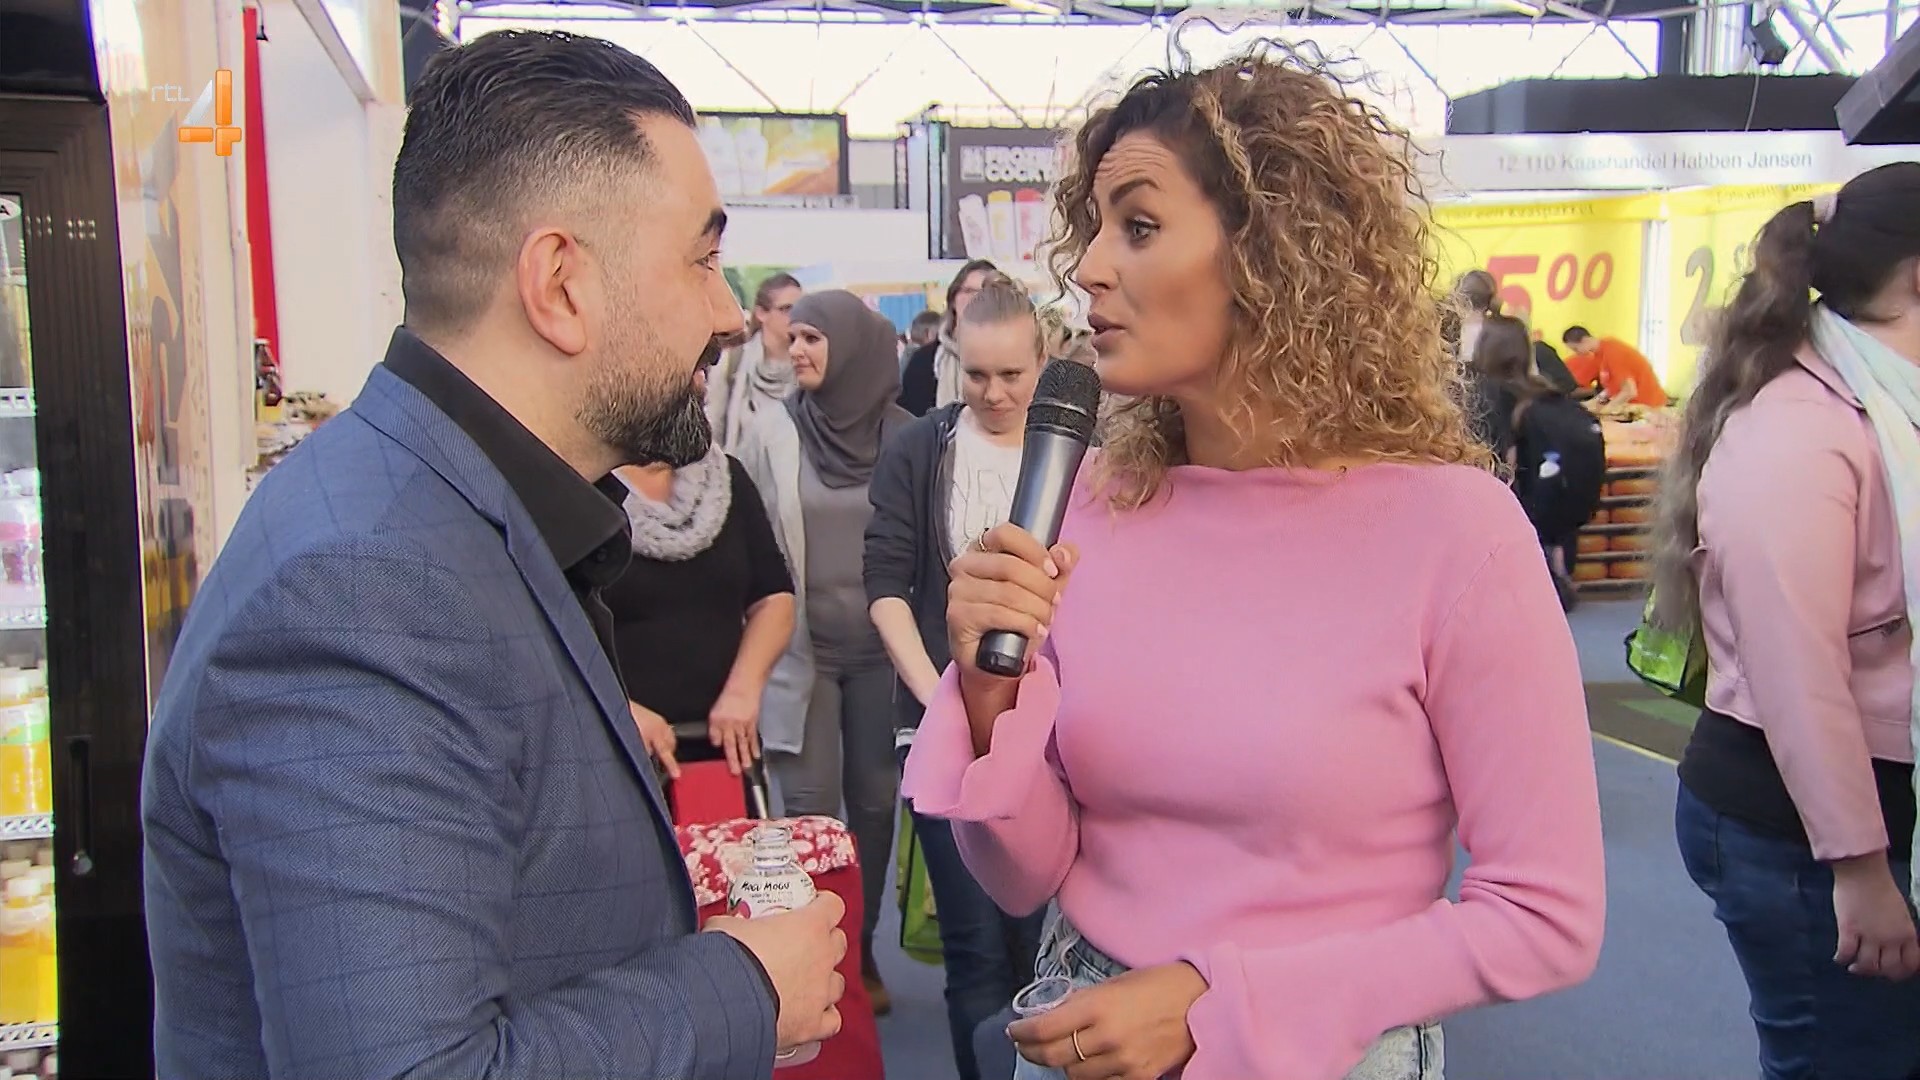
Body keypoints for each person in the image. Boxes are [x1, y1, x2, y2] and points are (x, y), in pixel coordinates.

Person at [140, 30, 847, 1079]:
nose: (728, 314)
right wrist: (742, 989)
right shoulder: (363, 590)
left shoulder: (455, 519)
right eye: (701, 260)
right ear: (559, 284)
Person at [903, 47, 1605, 1080]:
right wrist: (985, 694)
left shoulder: (1458, 534)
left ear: (1271, 250)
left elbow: (1546, 916)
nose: (1089, 266)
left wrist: (1220, 1005)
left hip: (1322, 1052)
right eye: (1093, 227)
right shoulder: (1091, 502)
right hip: (1080, 1026)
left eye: (1139, 226)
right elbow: (1023, 875)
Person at [1655, 163, 1920, 1079]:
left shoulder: (1887, 410)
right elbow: (1795, 673)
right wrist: (1860, 866)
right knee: (1847, 1059)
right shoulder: (1802, 429)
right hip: (1803, 827)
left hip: (1867, 803)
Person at [864, 274, 1051, 1080]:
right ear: (951, 361)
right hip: (944, 735)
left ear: (1043, 361)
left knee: (1044, 948)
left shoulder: (1076, 458)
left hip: (1054, 740)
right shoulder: (919, 448)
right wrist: (939, 697)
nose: (994, 392)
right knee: (975, 950)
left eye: (1012, 374)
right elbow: (885, 584)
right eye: (977, 374)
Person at [738, 288, 913, 1014]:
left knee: (873, 806)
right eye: (795, 335)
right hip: (801, 658)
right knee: (808, 811)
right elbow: (749, 543)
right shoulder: (771, 430)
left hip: (881, 657)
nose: (798, 348)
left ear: (854, 348)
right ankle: (813, 959)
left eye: (814, 337)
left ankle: (861, 949)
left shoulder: (907, 436)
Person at [605, 426, 796, 785]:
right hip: (621, 746)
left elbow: (773, 597)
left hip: (724, 746)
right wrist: (616, 709)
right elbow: (553, 624)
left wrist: (743, 690)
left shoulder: (729, 480)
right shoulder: (583, 494)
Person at [1471, 314, 1605, 612]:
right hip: (1559, 512)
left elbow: (1501, 459)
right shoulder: (1546, 394)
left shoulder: (1490, 396)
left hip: (1519, 516)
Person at [709, 272, 802, 452]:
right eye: (786, 309)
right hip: (741, 464)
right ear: (761, 313)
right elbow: (715, 426)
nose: (796, 316)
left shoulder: (807, 363)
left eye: (801, 308)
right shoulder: (733, 361)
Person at [900, 259, 998, 416]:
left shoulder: (1011, 360)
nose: (977, 298)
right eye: (969, 291)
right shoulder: (924, 361)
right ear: (953, 299)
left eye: (986, 292)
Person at [1562, 326, 1668, 406]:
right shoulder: (1599, 355)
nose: (1576, 353)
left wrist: (1607, 409)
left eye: (1575, 349)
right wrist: (1591, 404)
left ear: (1585, 340)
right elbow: (1611, 388)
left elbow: (1629, 392)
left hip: (1647, 406)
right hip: (1630, 405)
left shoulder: (1613, 352)